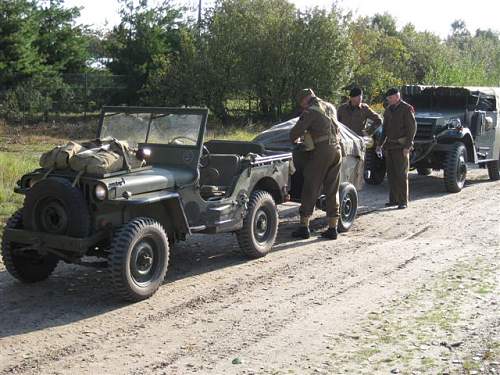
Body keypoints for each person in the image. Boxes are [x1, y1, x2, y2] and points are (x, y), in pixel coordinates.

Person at [290, 88, 343, 240]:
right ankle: (333, 228)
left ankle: (304, 227)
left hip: (322, 151)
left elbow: (294, 133)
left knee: (311, 185)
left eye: (302, 103)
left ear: (305, 99)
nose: (302, 106)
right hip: (337, 149)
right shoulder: (330, 106)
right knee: (332, 189)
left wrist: (296, 140)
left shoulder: (310, 112)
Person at [377, 87, 417, 209]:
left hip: (401, 147)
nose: (388, 100)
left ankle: (403, 201)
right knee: (391, 174)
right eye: (387, 98)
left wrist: (407, 146)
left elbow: (412, 129)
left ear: (397, 96)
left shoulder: (406, 109)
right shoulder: (388, 110)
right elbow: (384, 130)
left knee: (401, 175)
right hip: (390, 146)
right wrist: (379, 144)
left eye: (390, 98)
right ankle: (393, 199)